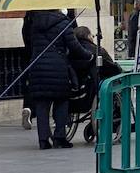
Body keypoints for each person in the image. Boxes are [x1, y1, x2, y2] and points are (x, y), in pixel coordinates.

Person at [22, 9, 92, 149]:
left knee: (42, 105)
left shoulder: (35, 23)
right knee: (61, 102)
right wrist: (88, 55)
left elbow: (29, 44)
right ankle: (59, 137)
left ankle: (43, 140)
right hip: (58, 67)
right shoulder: (64, 23)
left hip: (37, 67)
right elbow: (74, 46)